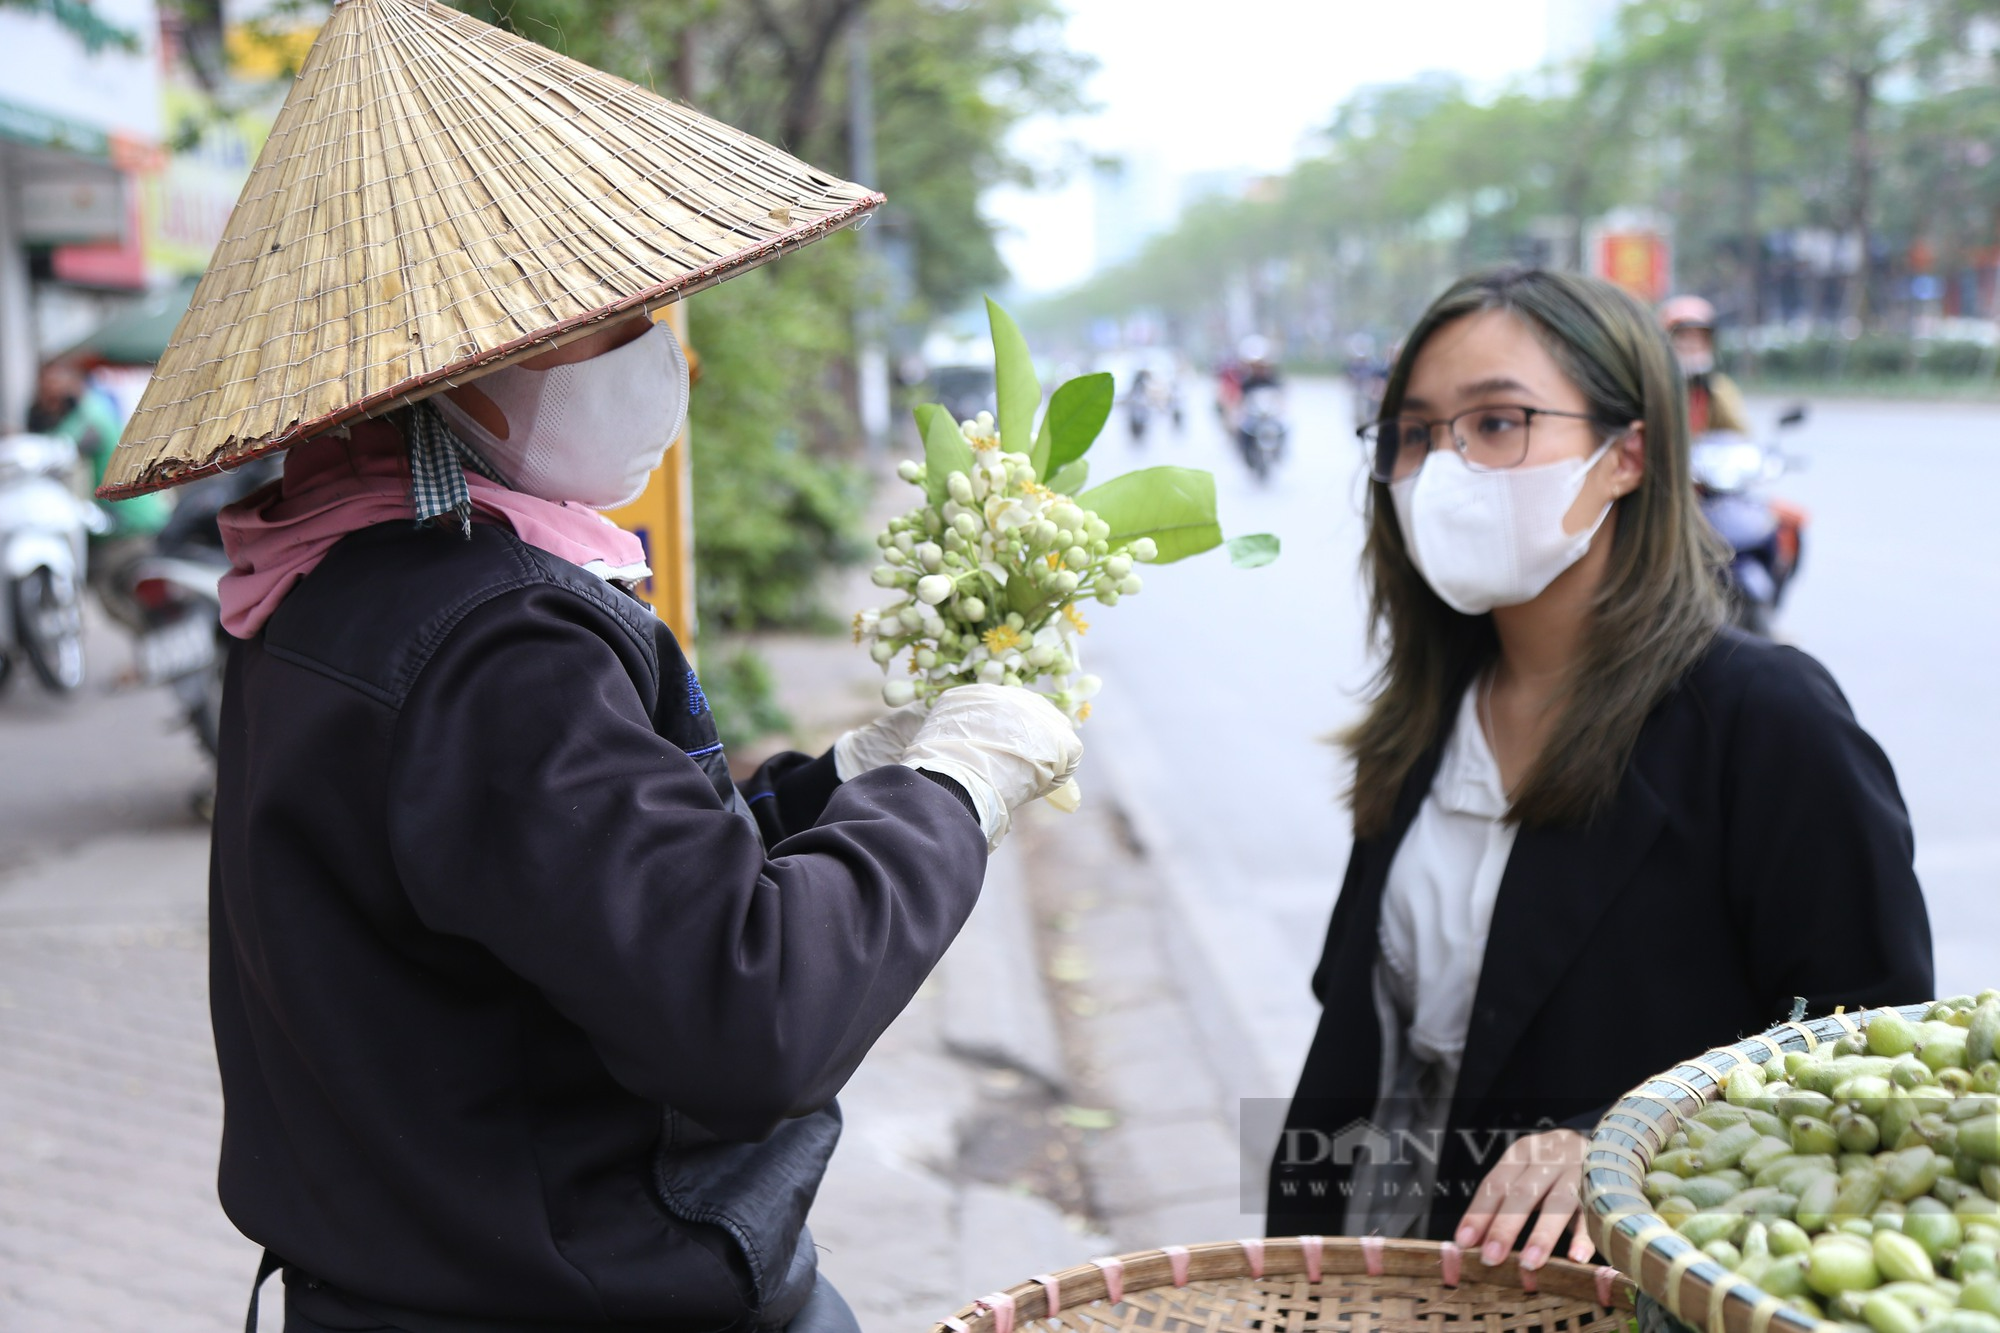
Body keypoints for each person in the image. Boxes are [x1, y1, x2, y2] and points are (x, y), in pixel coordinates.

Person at [95, 4, 1080, 1330]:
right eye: (593, 323)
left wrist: (842, 782)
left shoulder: (333, 581)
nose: (650, 353)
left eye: (644, 311)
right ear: (442, 370)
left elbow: (573, 889)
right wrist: (949, 796)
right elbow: (751, 1015)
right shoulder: (492, 639)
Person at [1268, 268, 1931, 1269]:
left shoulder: (1761, 721)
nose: (1441, 467)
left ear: (1627, 453)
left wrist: (1623, 1142)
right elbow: (1365, 1045)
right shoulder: (1424, 722)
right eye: (1411, 433)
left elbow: (1871, 1052)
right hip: (1390, 1277)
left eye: (1495, 423)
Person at [28, 360, 169, 628]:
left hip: (128, 523)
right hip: (134, 517)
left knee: (104, 581)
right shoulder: (93, 410)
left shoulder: (90, 416)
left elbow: (59, 450)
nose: (49, 398)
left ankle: (146, 639)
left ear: (71, 383)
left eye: (53, 389)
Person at [1660, 294, 1750, 436]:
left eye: (1699, 338)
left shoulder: (1720, 388)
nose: (1692, 345)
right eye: (1683, 337)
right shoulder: (1655, 388)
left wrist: (1715, 396)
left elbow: (1740, 436)